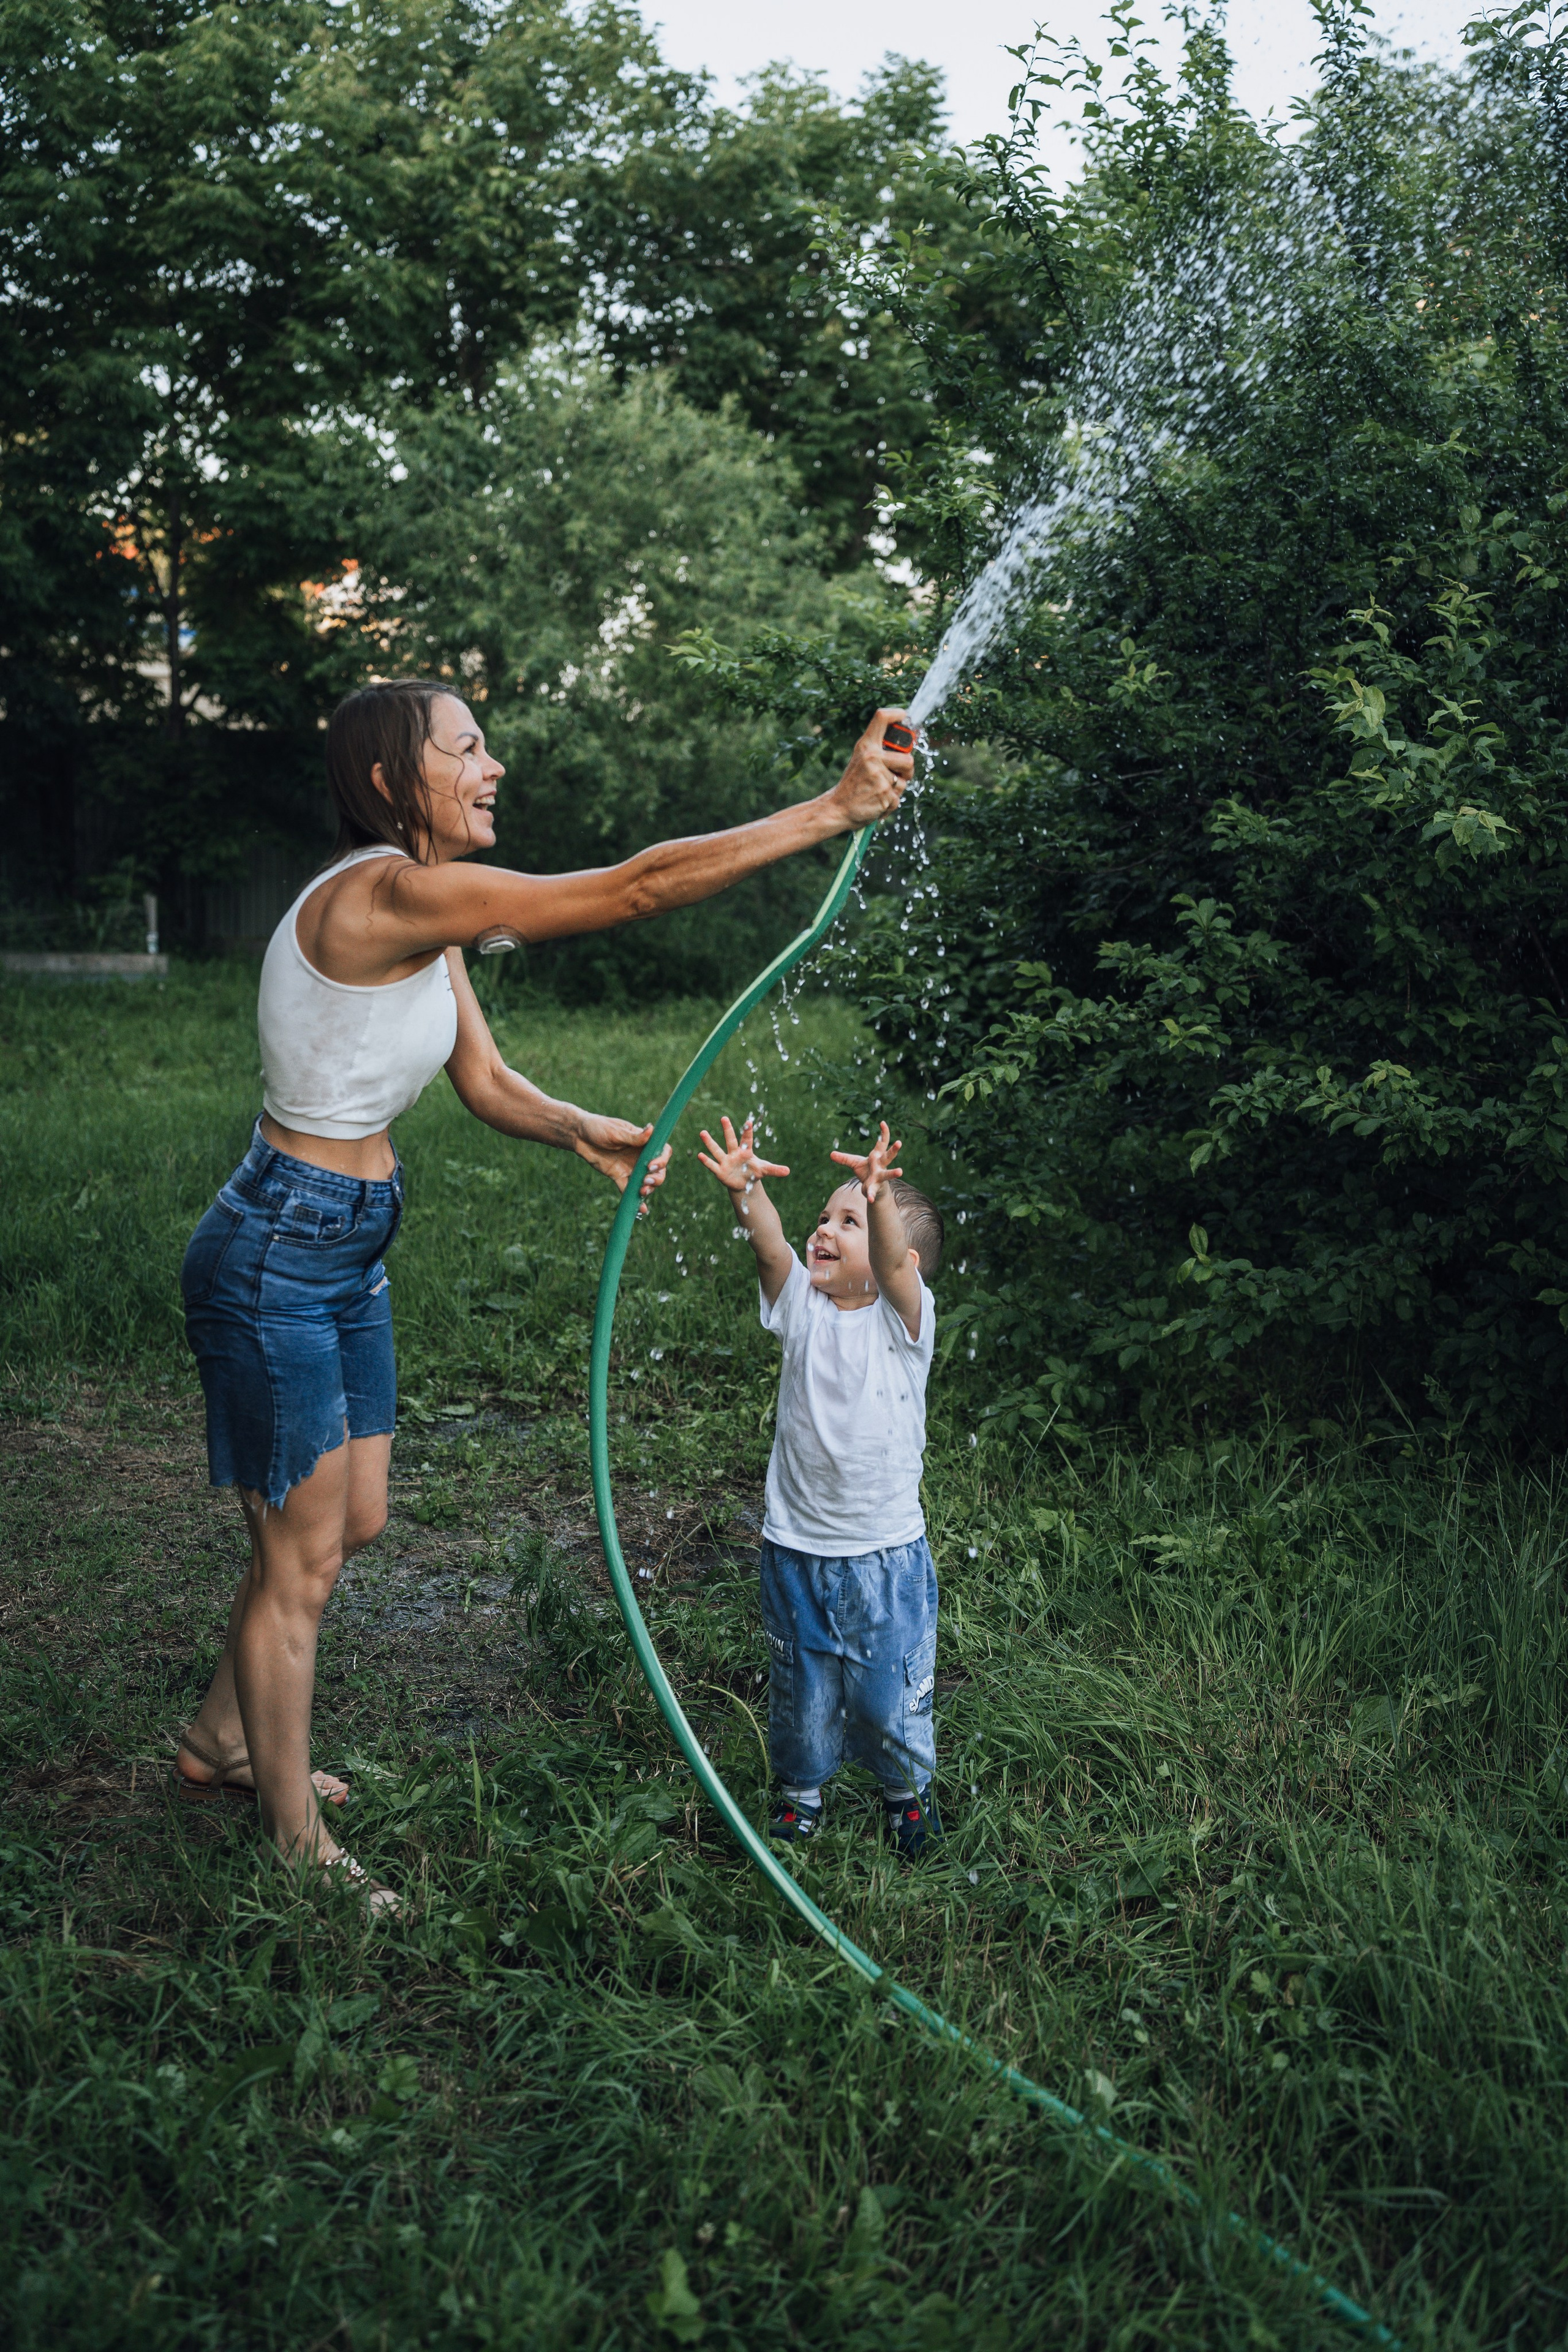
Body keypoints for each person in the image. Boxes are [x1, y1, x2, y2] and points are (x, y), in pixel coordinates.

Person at [174, 679, 913, 1912]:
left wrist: (577, 1128)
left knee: (344, 1524)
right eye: (463, 750)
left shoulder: (426, 921)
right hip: (276, 1251)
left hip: (348, 1239)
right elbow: (628, 888)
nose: (492, 765)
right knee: (296, 1555)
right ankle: (291, 1840)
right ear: (385, 783)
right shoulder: (384, 892)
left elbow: (480, 1075)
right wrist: (828, 812)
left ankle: (223, 1737)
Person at [696, 1112, 944, 1858]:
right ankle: (801, 1795)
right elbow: (771, 1247)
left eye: (849, 1221)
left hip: (883, 1554)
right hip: (796, 1547)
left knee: (886, 1694)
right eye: (824, 1217)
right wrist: (746, 1192)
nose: (824, 1231)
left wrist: (878, 1199)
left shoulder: (905, 1323)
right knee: (801, 1689)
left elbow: (895, 1265)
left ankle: (905, 1795)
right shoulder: (803, 1305)